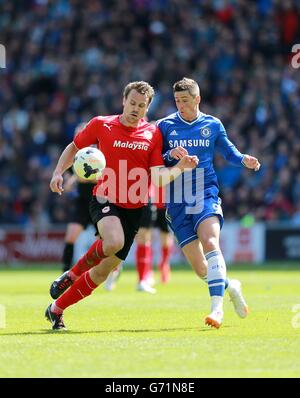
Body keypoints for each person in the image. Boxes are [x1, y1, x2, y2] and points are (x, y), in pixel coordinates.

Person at [46, 80, 198, 330]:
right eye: (132, 103)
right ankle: (71, 275)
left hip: (134, 210)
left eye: (141, 105)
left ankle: (56, 309)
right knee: (113, 241)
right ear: (123, 101)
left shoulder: (152, 134)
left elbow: (158, 177)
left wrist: (179, 168)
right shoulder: (101, 124)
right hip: (105, 198)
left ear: (147, 108)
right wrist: (58, 172)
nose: (135, 108)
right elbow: (75, 146)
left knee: (102, 272)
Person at [158, 77, 261, 329]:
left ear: (197, 99)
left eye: (185, 100)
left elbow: (229, 152)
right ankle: (230, 286)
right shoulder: (165, 126)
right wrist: (170, 154)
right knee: (200, 269)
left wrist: (243, 159)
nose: (180, 105)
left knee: (211, 241)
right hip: (176, 201)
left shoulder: (212, 124)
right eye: (177, 101)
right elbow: (155, 159)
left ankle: (217, 310)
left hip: (205, 193)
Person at [60, 124, 96, 273]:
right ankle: (64, 273)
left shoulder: (96, 155)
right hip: (82, 202)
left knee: (107, 241)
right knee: (71, 236)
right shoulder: (74, 156)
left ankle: (113, 271)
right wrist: (68, 180)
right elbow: (68, 177)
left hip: (99, 200)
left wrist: (79, 177)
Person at [135, 184, 173, 294]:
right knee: (145, 237)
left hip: (165, 204)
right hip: (150, 201)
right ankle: (147, 271)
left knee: (165, 237)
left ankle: (164, 264)